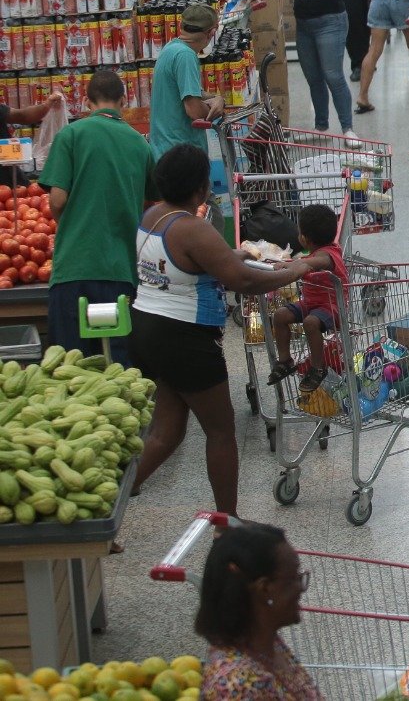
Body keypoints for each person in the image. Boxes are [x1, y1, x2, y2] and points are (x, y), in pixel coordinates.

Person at [131, 145, 313, 517]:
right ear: (200, 188)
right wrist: (297, 269)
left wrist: (236, 255)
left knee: (167, 433)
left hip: (148, 327)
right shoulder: (192, 228)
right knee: (220, 430)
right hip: (185, 338)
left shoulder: (153, 216)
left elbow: (194, 263)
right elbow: (242, 281)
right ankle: (226, 522)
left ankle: (112, 502)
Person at [41, 69, 153, 364]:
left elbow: (58, 198)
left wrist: (68, 223)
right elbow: (152, 201)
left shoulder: (71, 135)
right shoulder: (139, 143)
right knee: (118, 367)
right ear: (123, 100)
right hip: (120, 271)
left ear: (86, 101)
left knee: (71, 366)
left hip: (74, 269)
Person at [257, 0, 356, 140]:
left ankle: (348, 128)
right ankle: (321, 127)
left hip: (330, 22)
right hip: (305, 25)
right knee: (313, 77)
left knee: (333, 75)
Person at [195, 522, 320, 700]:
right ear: (264, 588)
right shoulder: (240, 688)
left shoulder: (266, 642)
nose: (301, 587)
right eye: (294, 578)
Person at [264, 203, 346, 393]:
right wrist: (288, 264)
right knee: (280, 315)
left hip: (332, 306)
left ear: (304, 238)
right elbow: (305, 262)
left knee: (310, 322)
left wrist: (298, 266)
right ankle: (285, 361)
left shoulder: (329, 253)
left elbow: (320, 262)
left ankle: (318, 368)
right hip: (311, 303)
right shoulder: (312, 254)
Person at [150, 4, 222, 157]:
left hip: (165, 151)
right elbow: (194, 110)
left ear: (181, 26)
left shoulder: (171, 48)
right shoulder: (186, 56)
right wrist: (216, 109)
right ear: (211, 33)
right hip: (181, 157)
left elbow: (186, 90)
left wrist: (215, 98)